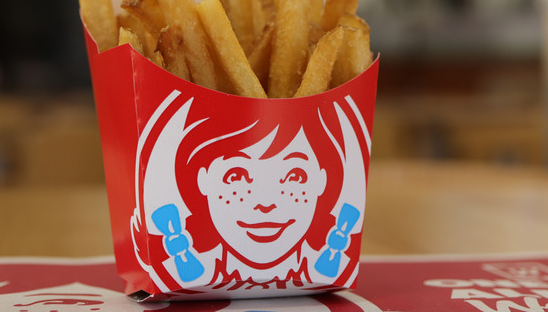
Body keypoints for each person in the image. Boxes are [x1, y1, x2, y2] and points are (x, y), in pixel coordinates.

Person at [130, 88, 370, 297]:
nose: (266, 203)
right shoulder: (177, 264)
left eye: (294, 176)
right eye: (236, 176)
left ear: (322, 181)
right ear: (202, 180)